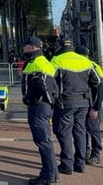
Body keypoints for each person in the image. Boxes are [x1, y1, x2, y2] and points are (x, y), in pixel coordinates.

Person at [50, 38, 100, 175]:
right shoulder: (85, 61)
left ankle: (67, 165)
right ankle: (80, 163)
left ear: (59, 47)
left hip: (65, 103)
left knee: (64, 133)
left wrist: (54, 99)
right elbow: (97, 81)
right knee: (80, 132)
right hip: (84, 103)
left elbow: (49, 82)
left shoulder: (57, 60)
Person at [21, 36, 59, 185]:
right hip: (42, 106)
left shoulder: (37, 62)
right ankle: (52, 173)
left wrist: (35, 99)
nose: (23, 48)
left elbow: (41, 85)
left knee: (42, 141)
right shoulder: (43, 61)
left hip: (38, 107)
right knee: (45, 140)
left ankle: (48, 176)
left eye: (25, 46)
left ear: (32, 47)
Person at [75, 46, 103, 166]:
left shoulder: (91, 66)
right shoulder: (88, 65)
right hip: (85, 103)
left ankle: (96, 154)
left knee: (93, 130)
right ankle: (85, 152)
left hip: (92, 103)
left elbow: (100, 88)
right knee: (83, 130)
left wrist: (96, 108)